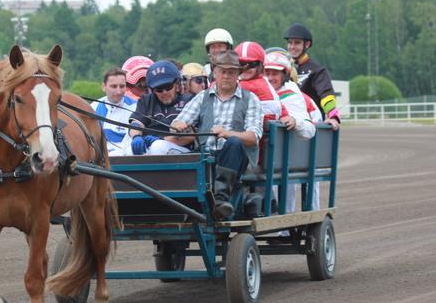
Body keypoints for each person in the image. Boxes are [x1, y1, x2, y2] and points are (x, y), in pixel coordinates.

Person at [171, 51, 263, 220]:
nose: (226, 76)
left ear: (238, 75)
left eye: (231, 72)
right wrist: (179, 126)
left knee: (234, 143)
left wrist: (227, 134)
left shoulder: (251, 99)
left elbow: (252, 137)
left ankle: (220, 200)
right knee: (182, 158)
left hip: (238, 159)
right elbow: (177, 124)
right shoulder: (202, 97)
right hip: (206, 156)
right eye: (222, 71)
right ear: (215, 72)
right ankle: (185, 208)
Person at [264, 51, 321, 214]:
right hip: (279, 153)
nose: (269, 77)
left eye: (274, 73)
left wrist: (295, 122)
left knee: (284, 171)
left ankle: (289, 218)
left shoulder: (294, 96)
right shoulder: (263, 92)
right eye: (266, 73)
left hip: (298, 153)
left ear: (286, 75)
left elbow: (310, 127)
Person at [126, 61, 193, 156]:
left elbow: (192, 135)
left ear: (177, 85)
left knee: (157, 146)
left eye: (168, 87)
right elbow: (136, 123)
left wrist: (162, 140)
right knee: (130, 151)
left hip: (181, 149)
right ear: (152, 90)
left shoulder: (189, 101)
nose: (164, 92)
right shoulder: (146, 101)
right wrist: (136, 136)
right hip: (151, 145)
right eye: (159, 89)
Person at [284, 23, 340, 129]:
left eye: (297, 43)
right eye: (290, 43)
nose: (292, 47)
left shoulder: (317, 70)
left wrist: (333, 116)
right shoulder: (283, 68)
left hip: (310, 125)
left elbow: (326, 95)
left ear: (307, 44)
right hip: (287, 122)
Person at [91, 67, 136, 156]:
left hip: (127, 157)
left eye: (122, 86)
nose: (119, 91)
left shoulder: (135, 107)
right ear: (104, 87)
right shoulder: (93, 107)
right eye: (114, 86)